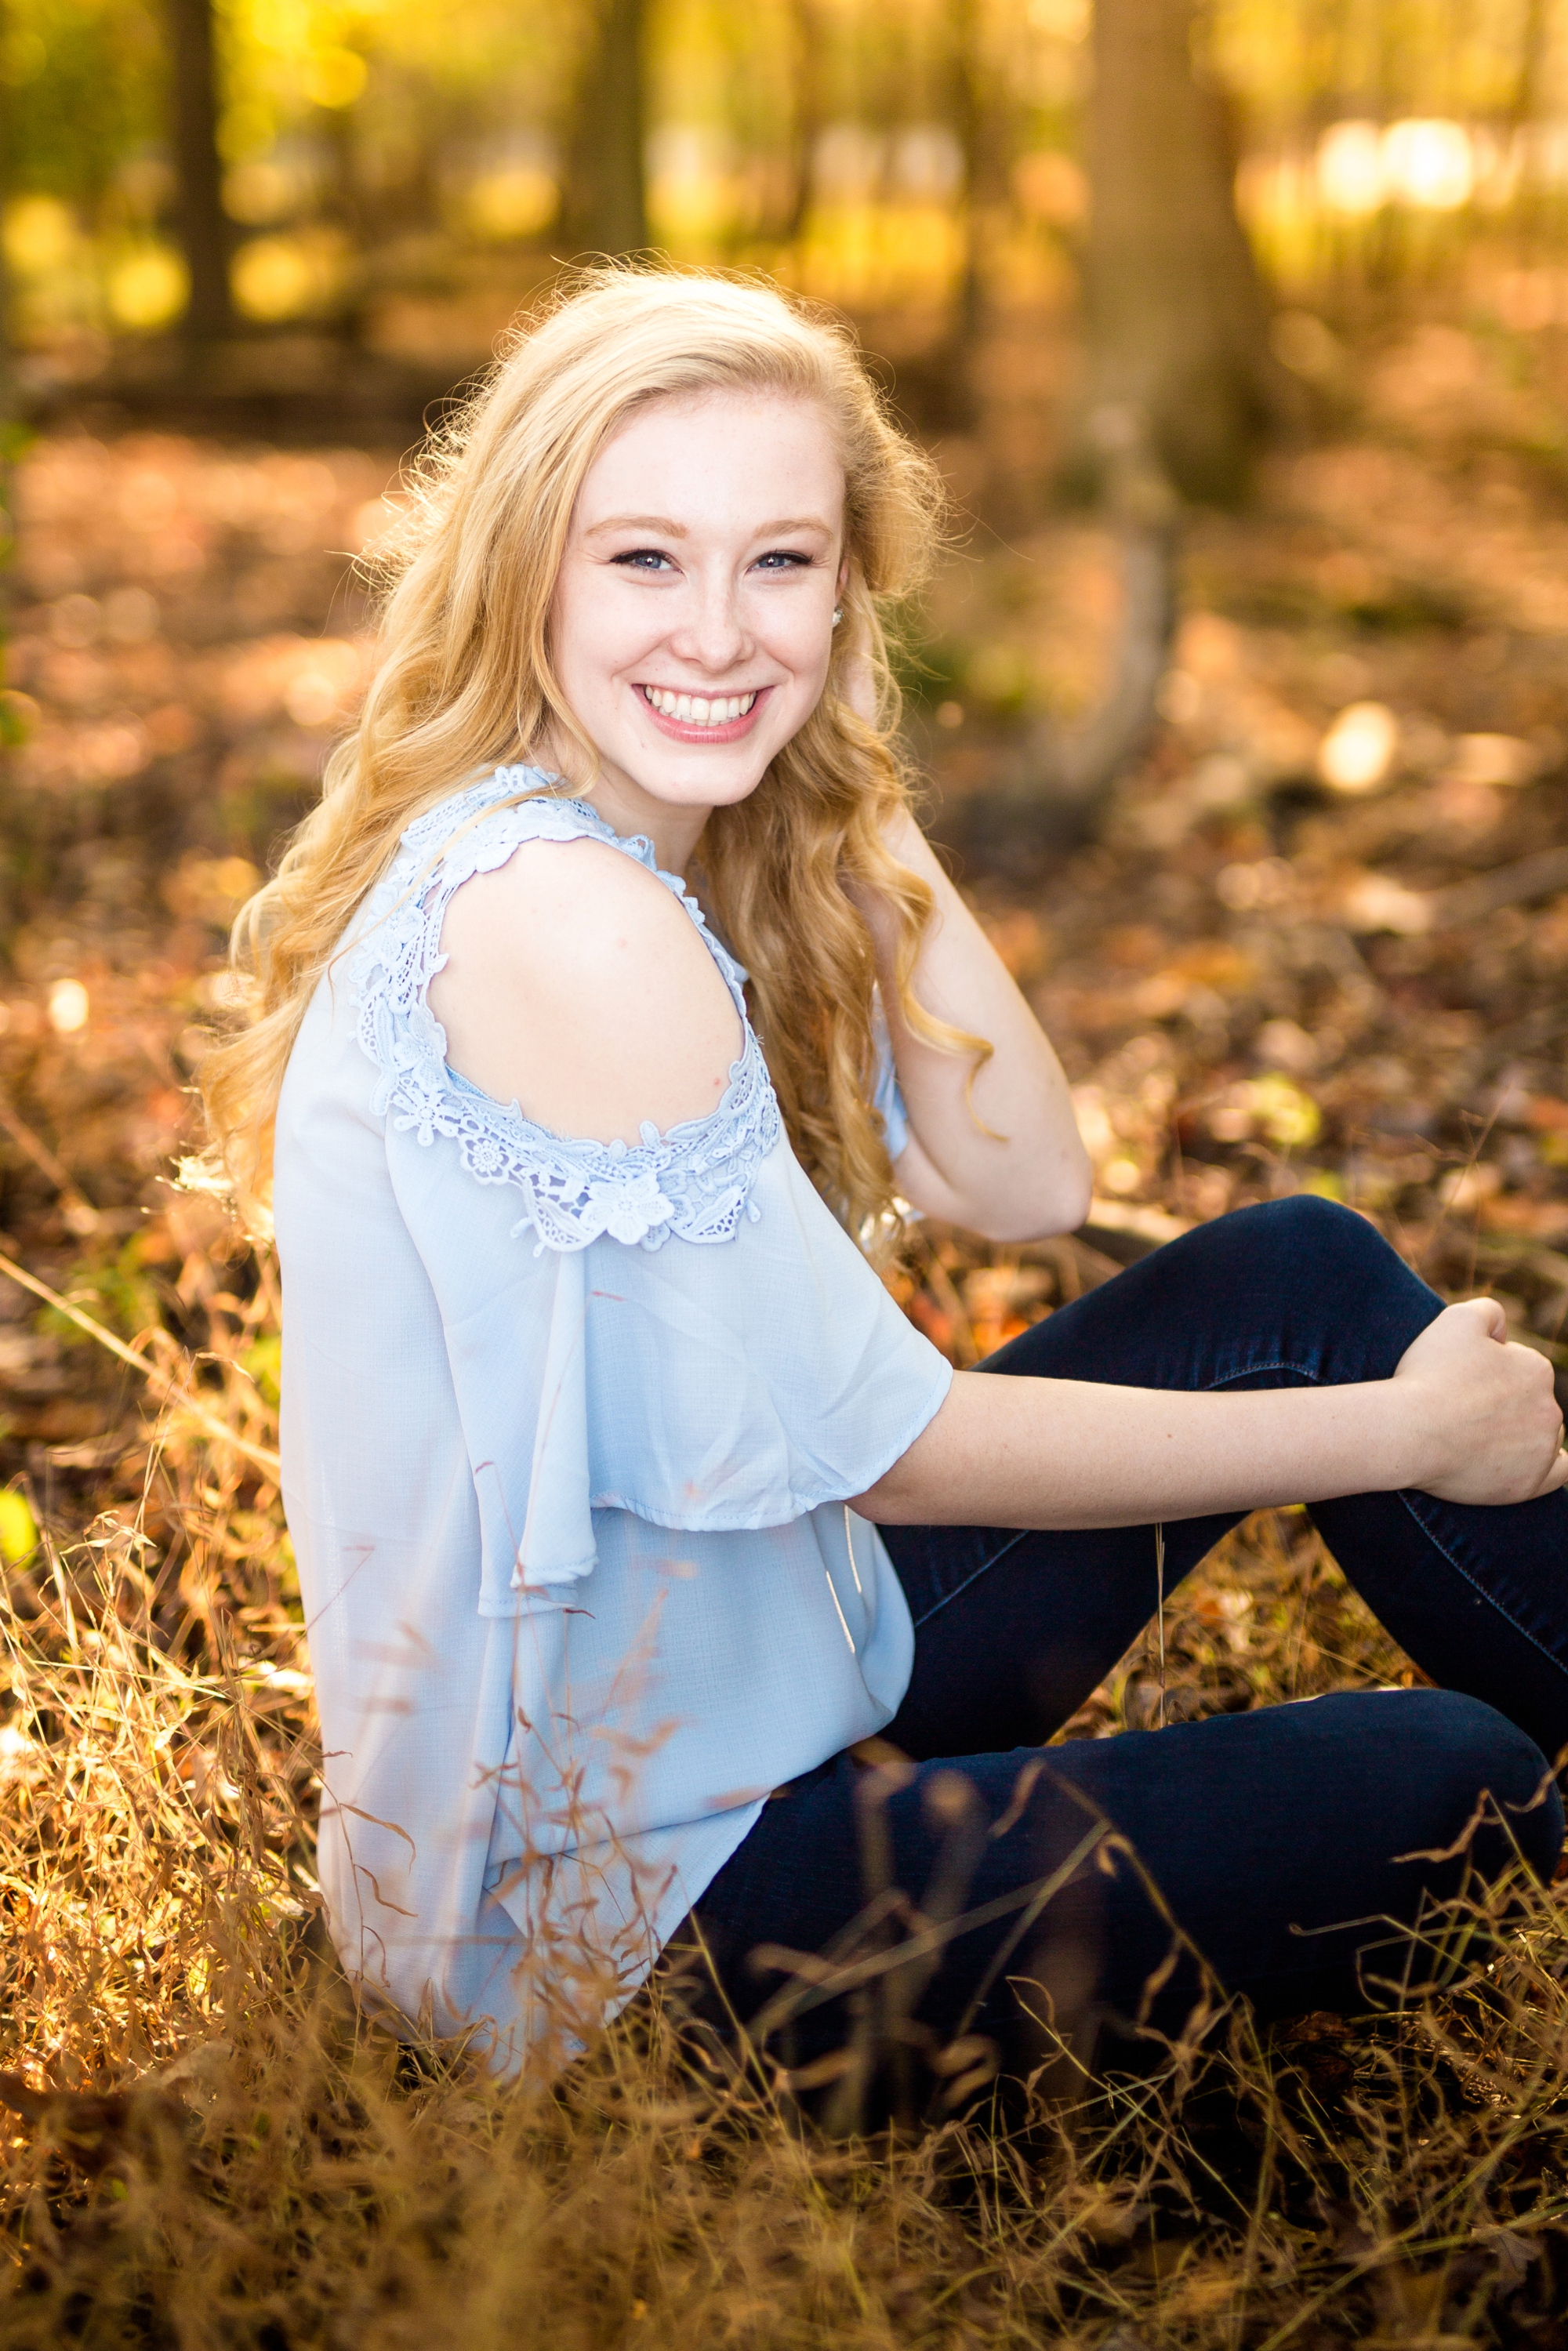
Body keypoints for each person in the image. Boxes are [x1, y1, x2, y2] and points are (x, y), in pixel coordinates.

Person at [201, 267, 1568, 2101]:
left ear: (853, 586)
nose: (716, 624)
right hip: (622, 1913)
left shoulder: (639, 839)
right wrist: (1404, 1436)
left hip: (764, 1679)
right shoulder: (568, 923)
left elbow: (1025, 1174)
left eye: (780, 562)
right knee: (1446, 1778)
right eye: (641, 562)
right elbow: (896, 1451)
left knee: (1291, 1273)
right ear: (523, 567)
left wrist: (837, 777)